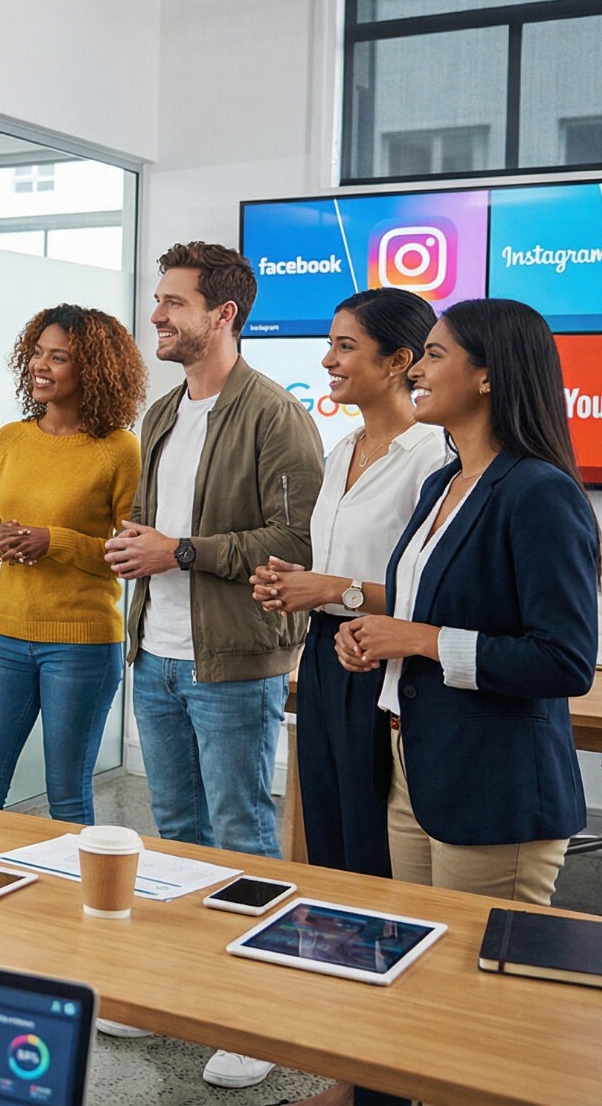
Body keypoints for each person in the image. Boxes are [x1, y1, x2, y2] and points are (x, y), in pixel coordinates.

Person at [100, 242, 322, 1091]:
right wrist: (140, 549)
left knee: (244, 841)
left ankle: (254, 1017)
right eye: (158, 299)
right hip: (154, 655)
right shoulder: (162, 413)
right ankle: (183, 995)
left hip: (233, 661)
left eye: (173, 302)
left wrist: (180, 550)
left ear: (222, 315)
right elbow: (154, 529)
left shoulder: (273, 413)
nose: (156, 314)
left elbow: (296, 541)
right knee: (177, 841)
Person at [338, 297, 597, 908]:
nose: (416, 372)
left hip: (494, 782)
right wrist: (373, 637)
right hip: (415, 766)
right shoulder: (442, 483)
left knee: (482, 991)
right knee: (416, 968)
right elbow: (424, 611)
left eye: (434, 355)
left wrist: (420, 641)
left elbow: (564, 660)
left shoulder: (538, 492)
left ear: (488, 376)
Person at [249, 288, 446, 879]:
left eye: (345, 347)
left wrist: (333, 590)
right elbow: (337, 566)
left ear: (396, 362)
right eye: (329, 346)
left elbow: (433, 591)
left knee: (375, 841)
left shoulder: (433, 455)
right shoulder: (340, 451)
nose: (328, 361)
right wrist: (296, 582)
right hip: (324, 654)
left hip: (385, 662)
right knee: (326, 827)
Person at [0, 304, 145, 826]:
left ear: (93, 370)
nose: (41, 365)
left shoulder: (120, 450)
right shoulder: (11, 438)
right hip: (6, 639)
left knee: (66, 798)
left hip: (82, 643)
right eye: (38, 352)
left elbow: (133, 556)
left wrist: (55, 541)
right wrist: (5, 540)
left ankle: (70, 907)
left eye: (58, 357)